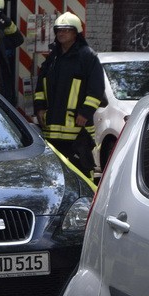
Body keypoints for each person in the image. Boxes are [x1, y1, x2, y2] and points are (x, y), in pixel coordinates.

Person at [34, 12, 105, 178]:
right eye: (59, 30)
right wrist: (40, 108)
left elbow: (96, 89)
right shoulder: (53, 58)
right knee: (55, 172)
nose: (61, 33)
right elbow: (40, 86)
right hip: (52, 128)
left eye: (66, 30)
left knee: (81, 170)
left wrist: (85, 112)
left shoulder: (87, 56)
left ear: (76, 33)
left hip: (77, 128)